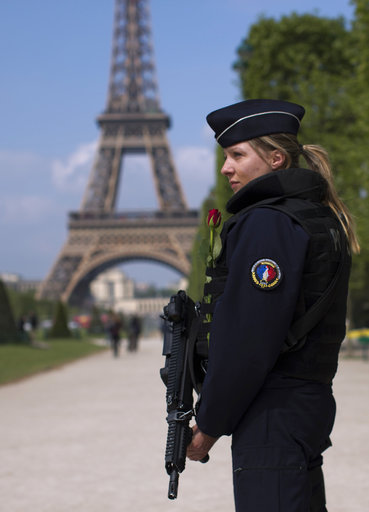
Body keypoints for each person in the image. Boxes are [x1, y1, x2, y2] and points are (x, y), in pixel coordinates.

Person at [186, 99, 359, 511]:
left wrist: (209, 424)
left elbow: (249, 339)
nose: (226, 167)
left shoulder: (268, 222)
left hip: (273, 411)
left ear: (276, 158)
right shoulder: (313, 215)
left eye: (237, 155)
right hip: (304, 403)